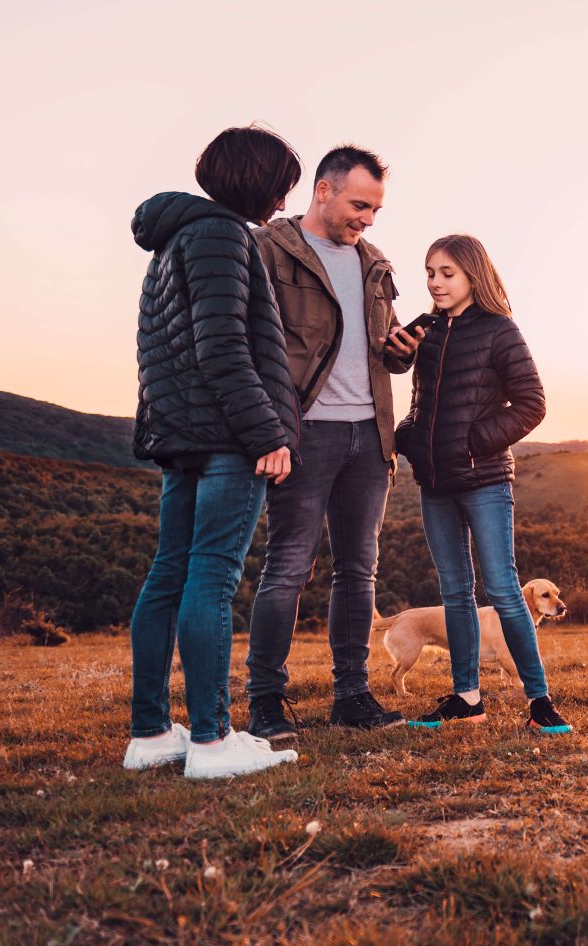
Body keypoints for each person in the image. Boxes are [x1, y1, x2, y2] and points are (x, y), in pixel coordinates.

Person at [123, 126, 304, 779]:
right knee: (212, 577)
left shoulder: (173, 240)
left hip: (182, 434)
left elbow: (166, 350)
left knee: (169, 573)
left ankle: (151, 734)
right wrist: (268, 433)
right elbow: (222, 346)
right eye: (280, 186)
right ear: (256, 180)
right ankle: (210, 740)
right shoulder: (224, 236)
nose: (282, 202)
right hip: (228, 436)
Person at [245, 146, 422, 737]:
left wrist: (400, 352)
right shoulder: (268, 249)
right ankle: (266, 702)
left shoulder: (374, 263)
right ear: (323, 190)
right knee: (289, 568)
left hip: (370, 437)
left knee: (359, 572)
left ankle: (352, 697)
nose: (367, 219)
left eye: (375, 210)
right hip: (303, 433)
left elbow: (378, 349)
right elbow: (251, 344)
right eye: (359, 205)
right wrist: (268, 429)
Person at [393, 235, 573, 734]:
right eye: (430, 273)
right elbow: (417, 400)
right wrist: (408, 436)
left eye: (447, 273)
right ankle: (467, 698)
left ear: (473, 274)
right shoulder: (427, 331)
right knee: (455, 592)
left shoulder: (499, 330)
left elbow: (532, 404)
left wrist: (472, 443)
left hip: (484, 479)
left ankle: (539, 701)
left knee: (503, 589)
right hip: (435, 483)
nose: (435, 282)